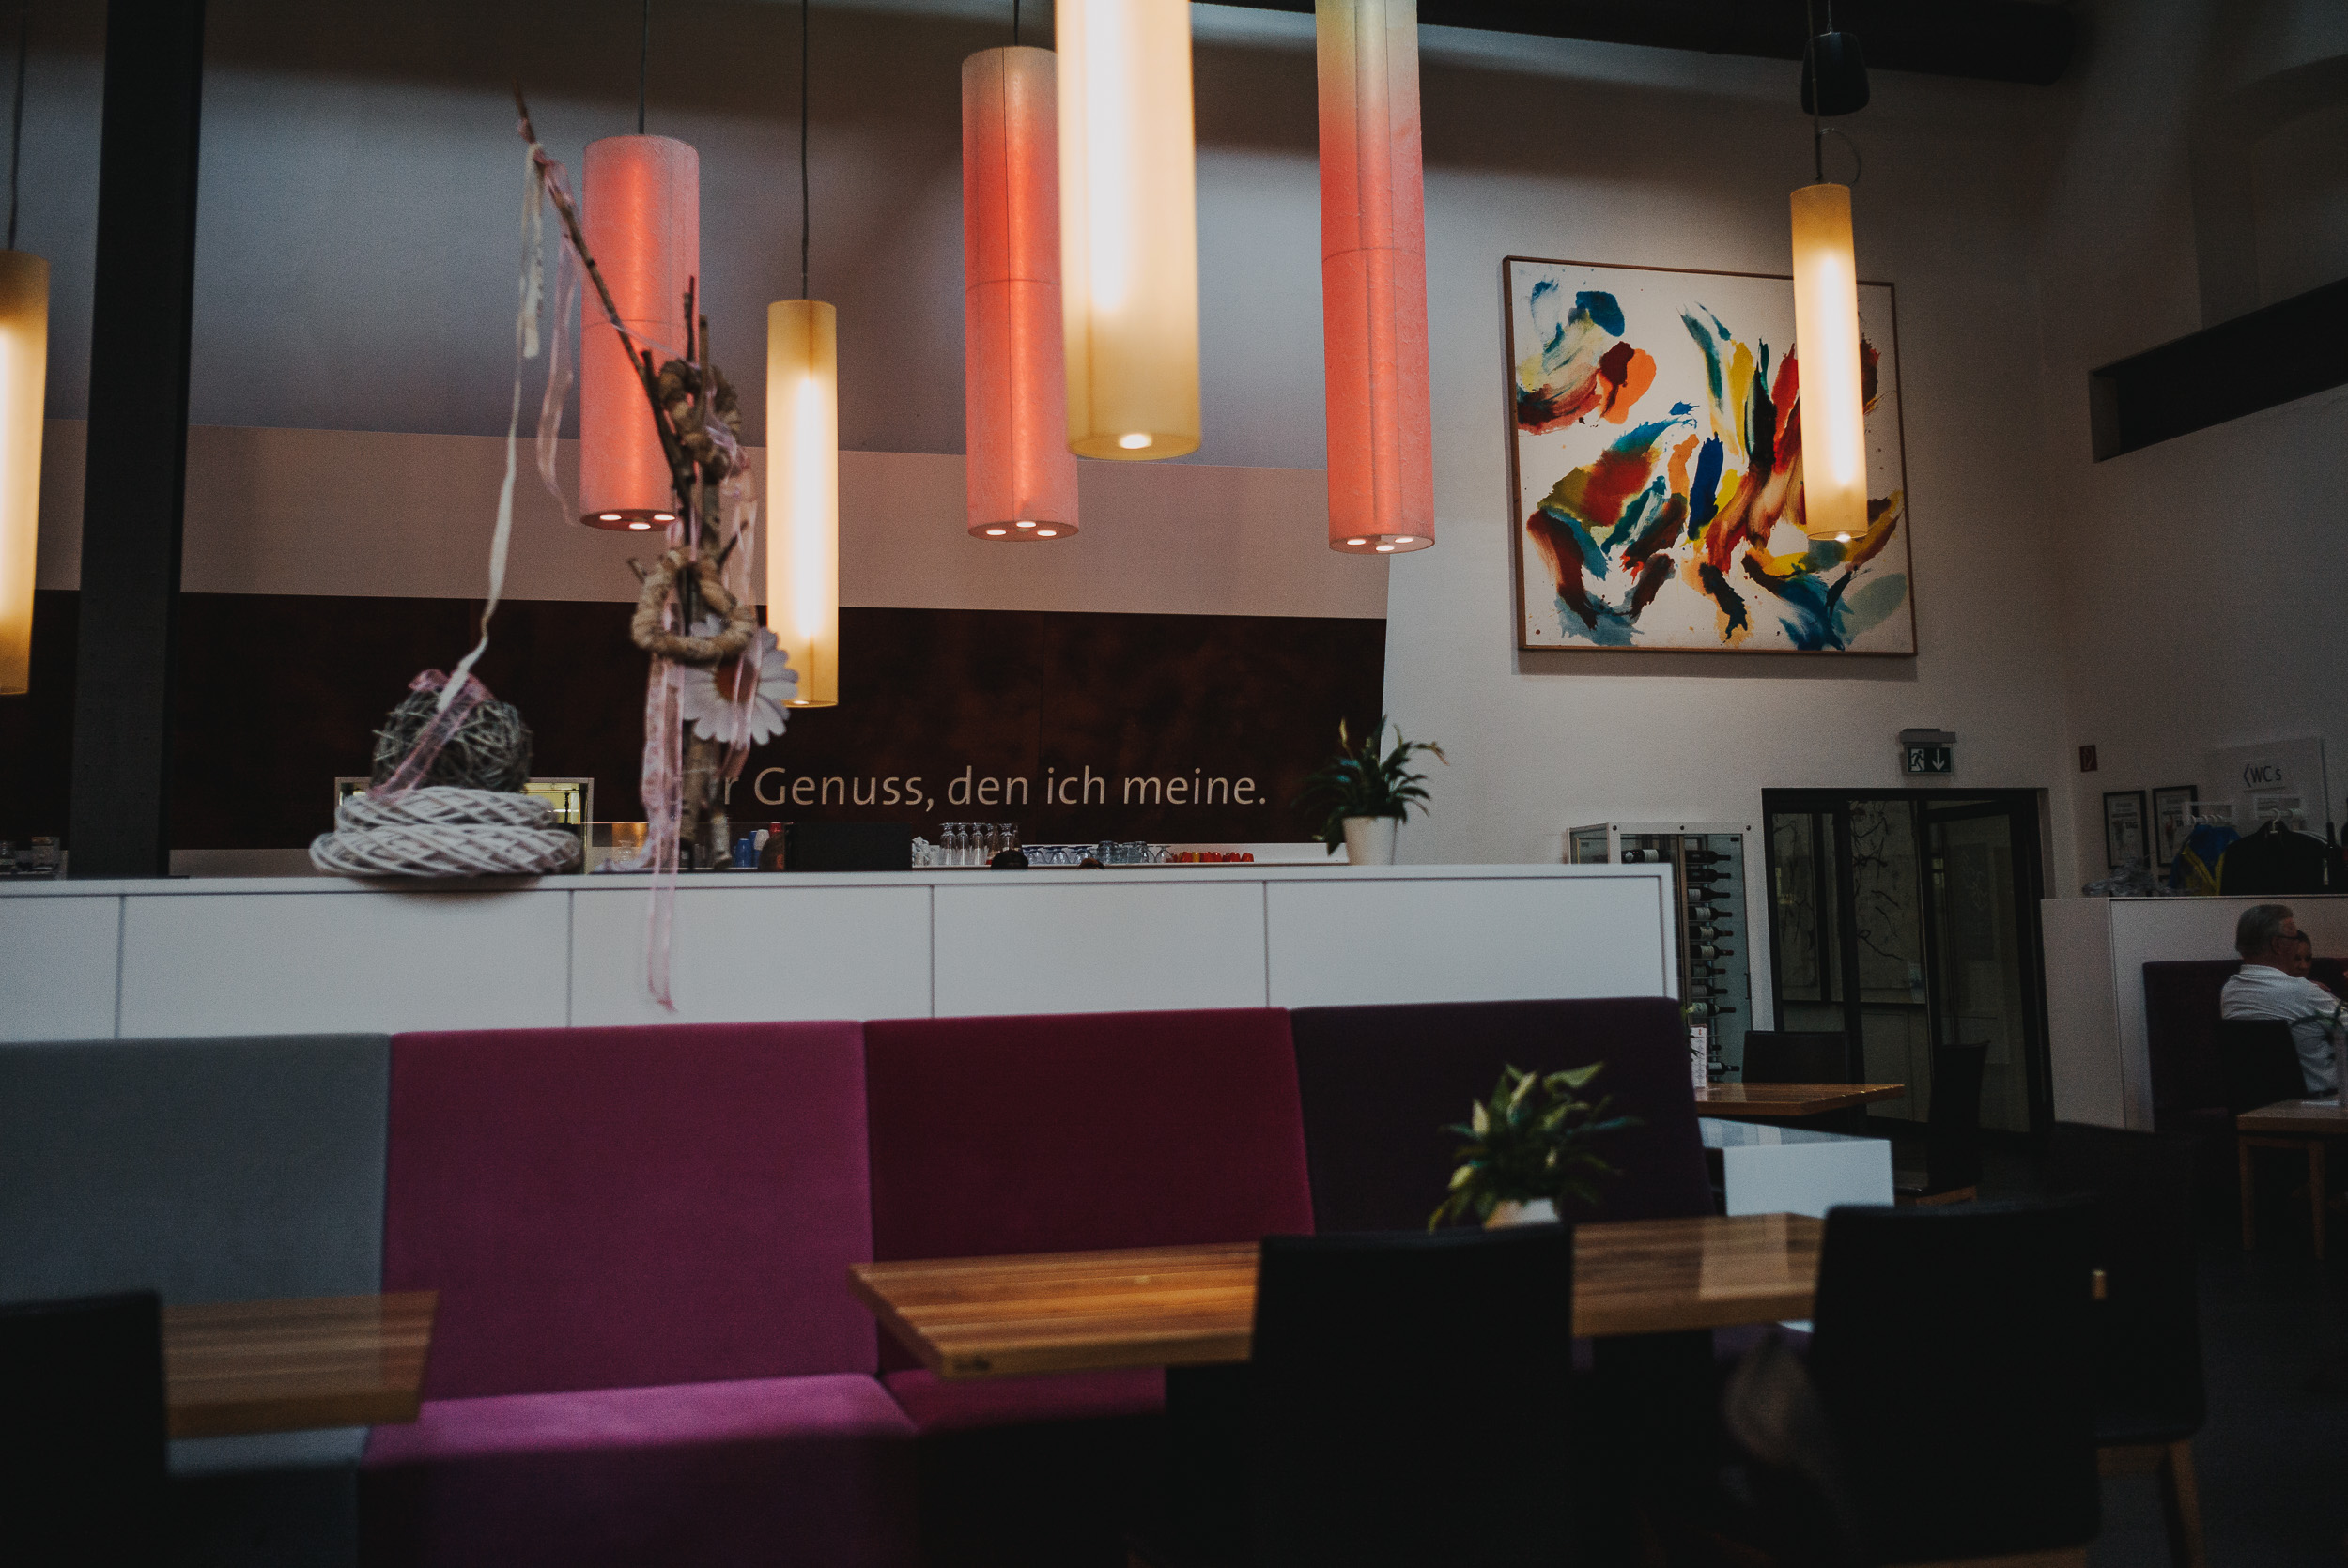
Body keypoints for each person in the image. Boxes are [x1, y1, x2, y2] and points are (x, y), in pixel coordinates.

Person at [2220, 904, 2341, 1096]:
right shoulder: (2304, 992)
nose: (2297, 943)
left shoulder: (2229, 991)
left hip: (2256, 1105)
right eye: (2294, 938)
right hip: (2318, 1104)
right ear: (2277, 944)